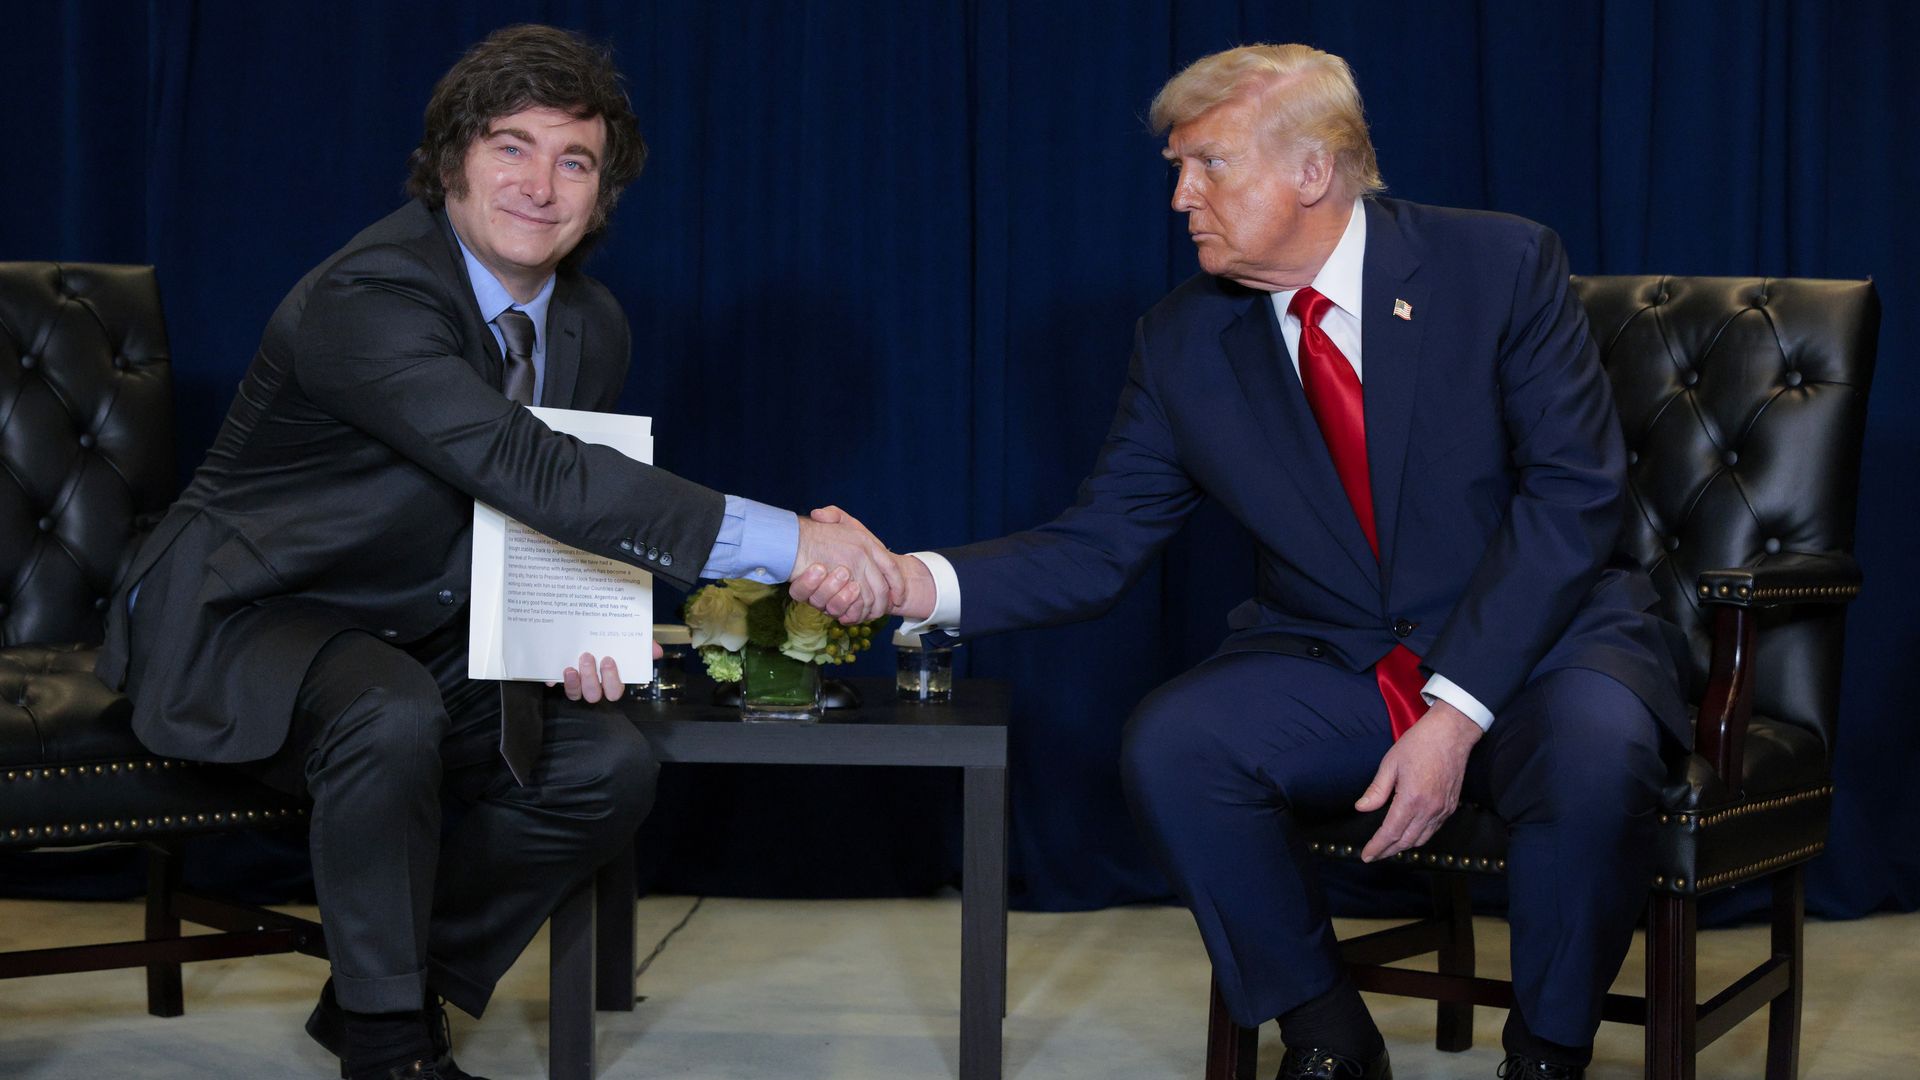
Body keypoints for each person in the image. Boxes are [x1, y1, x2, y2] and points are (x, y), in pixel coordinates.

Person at [837, 43, 1688, 1080]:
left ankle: (1548, 1055)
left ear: (1313, 170)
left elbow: (1574, 496)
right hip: (1345, 662)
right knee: (1178, 745)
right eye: (1177, 169)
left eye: (1209, 165)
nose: (1181, 197)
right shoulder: (1180, 342)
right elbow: (1097, 546)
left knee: (1596, 753)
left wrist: (1457, 710)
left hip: (1540, 647)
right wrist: (905, 580)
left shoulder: (1499, 265)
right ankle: (1327, 1038)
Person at [93, 24, 895, 1080]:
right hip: (245, 613)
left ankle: (381, 987)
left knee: (604, 766)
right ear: (450, 164)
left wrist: (567, 633)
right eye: (511, 146)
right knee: (385, 709)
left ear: (602, 196)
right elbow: (530, 466)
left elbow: (538, 516)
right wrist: (791, 543)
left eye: (576, 161)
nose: (540, 185)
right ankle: (391, 1048)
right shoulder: (368, 298)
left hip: (415, 626)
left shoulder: (593, 325)